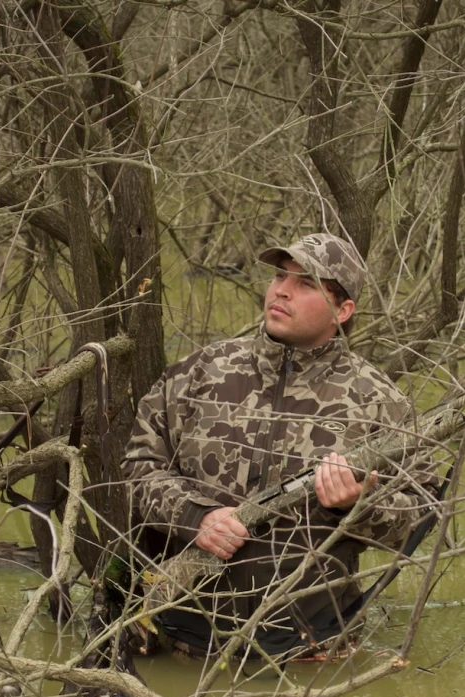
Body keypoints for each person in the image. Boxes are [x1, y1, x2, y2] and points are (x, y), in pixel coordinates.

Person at [122, 232, 436, 660]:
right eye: (279, 276)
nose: (282, 290)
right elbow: (137, 470)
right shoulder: (196, 375)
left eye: (306, 283)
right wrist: (196, 517)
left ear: (342, 311)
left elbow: (421, 522)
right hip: (184, 643)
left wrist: (358, 506)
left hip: (314, 656)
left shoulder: (382, 403)